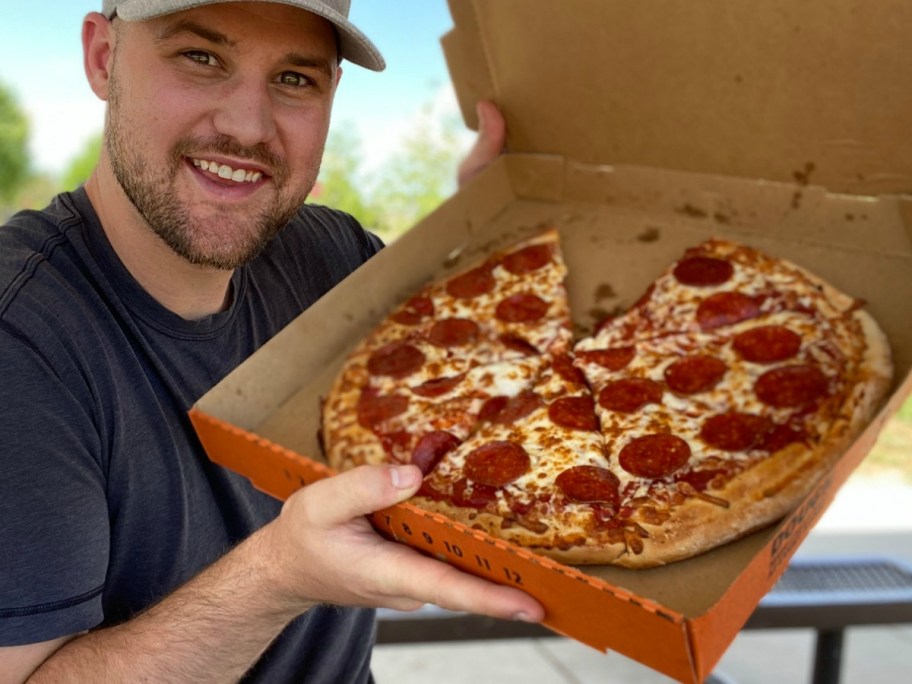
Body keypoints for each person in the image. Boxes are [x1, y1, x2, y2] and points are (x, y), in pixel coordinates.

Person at [0, 1, 542, 681]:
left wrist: (504, 227)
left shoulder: (332, 255)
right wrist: (283, 575)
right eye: (200, 58)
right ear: (103, 58)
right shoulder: (20, 340)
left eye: (294, 79)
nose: (247, 127)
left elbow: (483, 370)